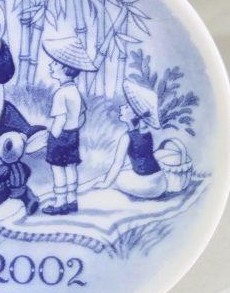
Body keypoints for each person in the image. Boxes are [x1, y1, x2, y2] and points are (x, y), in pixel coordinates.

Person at [41, 32, 98, 215]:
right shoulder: (75, 92)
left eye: (55, 63)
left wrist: (52, 136)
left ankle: (60, 203)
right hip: (73, 134)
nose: (51, 65)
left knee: (58, 169)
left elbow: (60, 119)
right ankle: (72, 200)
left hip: (60, 136)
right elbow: (82, 117)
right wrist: (74, 128)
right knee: (71, 166)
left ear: (65, 68)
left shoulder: (61, 93)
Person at [97, 79, 169, 200]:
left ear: (135, 114)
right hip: (161, 181)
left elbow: (117, 164)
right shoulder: (146, 131)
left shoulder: (127, 137)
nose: (122, 107)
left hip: (149, 186)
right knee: (125, 173)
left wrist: (105, 184)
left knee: (116, 179)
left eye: (126, 106)